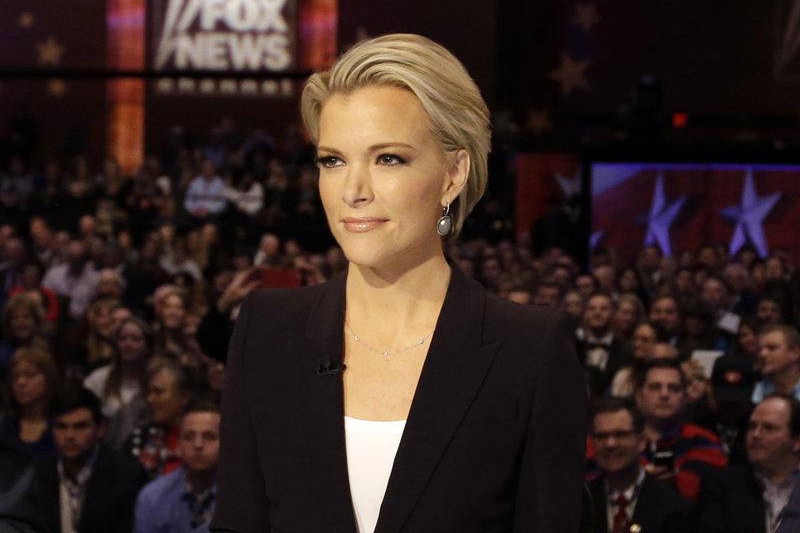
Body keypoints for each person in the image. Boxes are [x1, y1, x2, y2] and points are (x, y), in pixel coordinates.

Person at [211, 34, 587, 532]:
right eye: (333, 160)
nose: (353, 190)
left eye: (388, 158)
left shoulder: (531, 349)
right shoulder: (266, 331)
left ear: (453, 175)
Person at [33, 386, 147, 533]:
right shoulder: (38, 475)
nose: (70, 436)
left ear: (100, 429)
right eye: (61, 427)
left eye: (80, 427)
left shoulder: (128, 477)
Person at [695, 395, 800, 532]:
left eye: (769, 428)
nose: (756, 435)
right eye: (752, 427)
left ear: (797, 441)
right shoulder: (721, 486)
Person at [588, 398, 691, 533]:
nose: (610, 444)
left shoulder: (674, 506)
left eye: (621, 435)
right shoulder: (581, 503)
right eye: (601, 436)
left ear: (642, 441)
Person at [633, 358, 727, 501]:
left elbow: (709, 491)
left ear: (685, 397)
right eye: (655, 387)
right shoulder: (618, 438)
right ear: (639, 396)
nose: (664, 395)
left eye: (674, 388)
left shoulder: (704, 440)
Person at [134, 402, 220, 533]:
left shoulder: (245, 497)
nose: (198, 445)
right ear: (178, 445)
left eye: (209, 437)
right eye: (188, 437)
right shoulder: (153, 497)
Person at [752, 324, 800, 403]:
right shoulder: (753, 393)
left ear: (794, 352)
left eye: (772, 348)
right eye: (759, 349)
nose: (762, 354)